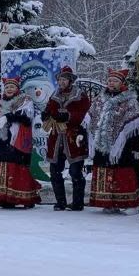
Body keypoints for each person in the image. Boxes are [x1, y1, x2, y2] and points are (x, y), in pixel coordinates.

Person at [89, 69, 139, 214]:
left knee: (123, 172)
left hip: (122, 144)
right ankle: (108, 202)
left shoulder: (130, 101)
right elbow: (91, 117)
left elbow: (136, 125)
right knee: (104, 170)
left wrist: (136, 147)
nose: (111, 83)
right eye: (109, 81)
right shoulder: (99, 99)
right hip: (101, 142)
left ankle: (129, 203)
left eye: (115, 81)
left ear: (122, 83)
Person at [44, 66, 91, 212]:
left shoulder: (80, 95)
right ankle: (60, 202)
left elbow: (85, 113)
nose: (61, 82)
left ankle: (77, 203)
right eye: (60, 79)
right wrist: (46, 114)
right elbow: (49, 109)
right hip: (56, 136)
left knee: (75, 171)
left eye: (64, 79)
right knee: (54, 171)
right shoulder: (54, 95)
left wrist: (68, 116)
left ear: (70, 80)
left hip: (74, 137)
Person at [0, 76, 40, 208]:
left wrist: (9, 117)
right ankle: (5, 197)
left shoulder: (24, 100)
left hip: (17, 138)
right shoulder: (0, 103)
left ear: (17, 89)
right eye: (7, 87)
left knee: (17, 165)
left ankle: (22, 196)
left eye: (12, 87)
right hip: (3, 137)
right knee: (4, 163)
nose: (9, 89)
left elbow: (26, 117)